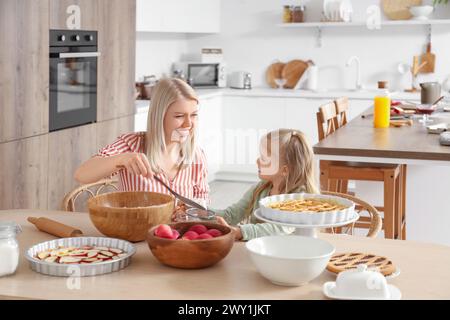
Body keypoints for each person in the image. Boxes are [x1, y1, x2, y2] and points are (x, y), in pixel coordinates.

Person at [74, 78, 209, 202]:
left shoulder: (196, 156)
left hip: (179, 229)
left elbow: (202, 201)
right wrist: (122, 159)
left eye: (194, 115)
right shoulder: (131, 145)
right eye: (179, 116)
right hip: (136, 228)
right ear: (159, 116)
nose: (188, 124)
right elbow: (82, 175)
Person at [213, 129, 319, 241]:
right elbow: (231, 215)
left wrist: (240, 232)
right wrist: (199, 211)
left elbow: (280, 228)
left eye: (264, 158)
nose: (257, 160)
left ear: (284, 170)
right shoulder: (260, 189)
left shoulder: (301, 198)